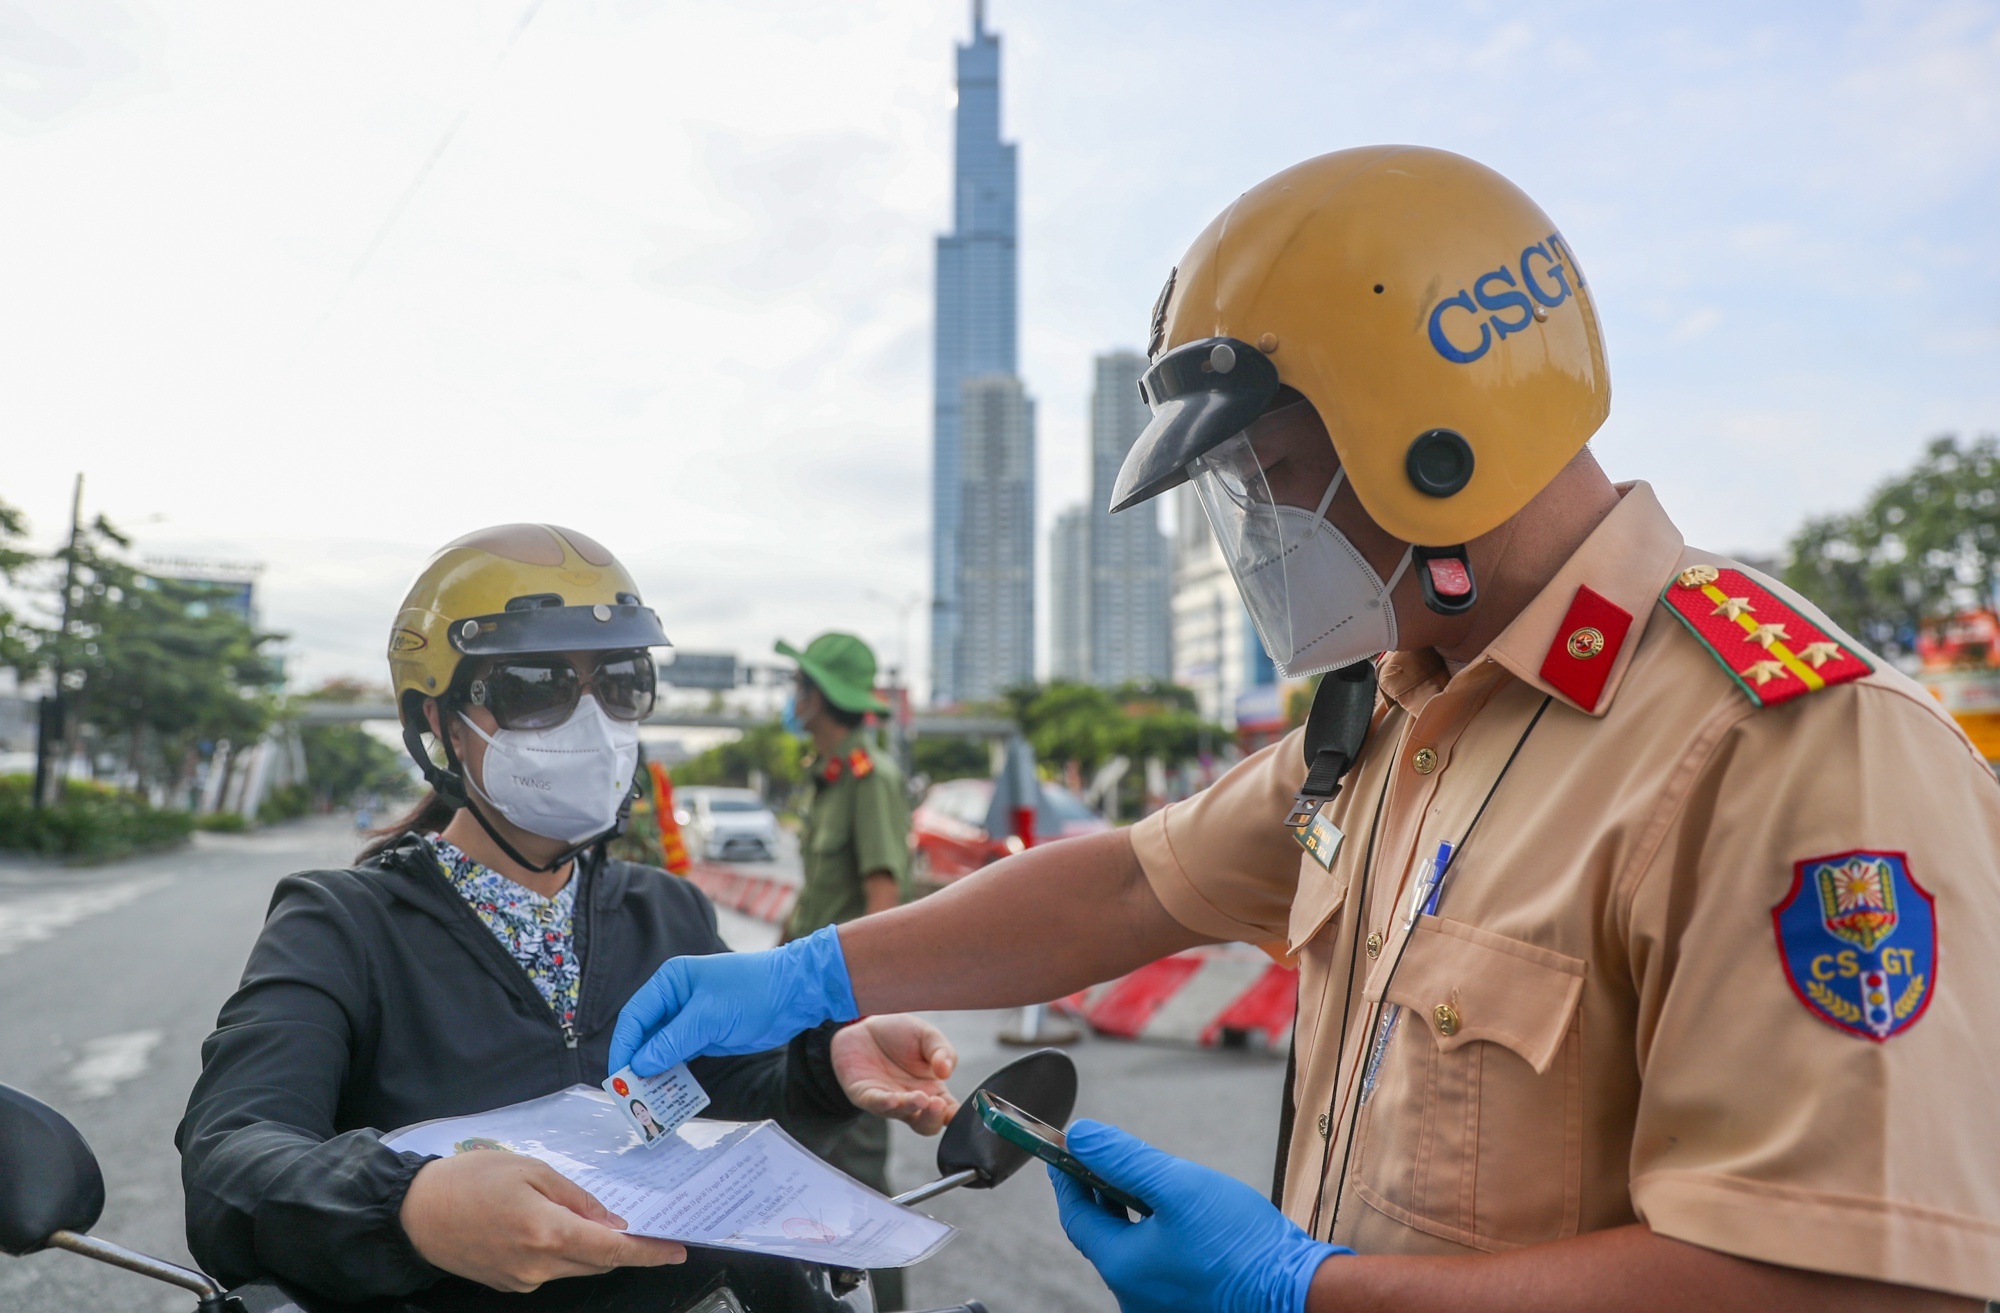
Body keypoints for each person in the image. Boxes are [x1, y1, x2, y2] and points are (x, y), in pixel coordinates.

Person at [610, 148, 2000, 1312]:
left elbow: (1847, 1279)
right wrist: (811, 975)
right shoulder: (1402, 708)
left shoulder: (1790, 752)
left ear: (1430, 432)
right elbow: (1132, 879)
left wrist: (1305, 1289)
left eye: (1268, 478)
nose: (1257, 540)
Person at [178, 524, 959, 1305]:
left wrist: (827, 1061)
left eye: (620, 681)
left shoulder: (666, 910)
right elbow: (233, 1155)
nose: (592, 722)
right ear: (443, 724)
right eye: (534, 684)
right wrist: (413, 1206)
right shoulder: (342, 924)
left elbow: (724, 1088)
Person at [774, 629, 914, 1308]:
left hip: (846, 1014)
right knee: (813, 1174)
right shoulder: (826, 777)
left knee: (859, 1182)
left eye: (799, 685)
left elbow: (882, 899)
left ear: (820, 697)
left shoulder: (871, 779)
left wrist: (863, 1021)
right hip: (806, 1009)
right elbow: (814, 900)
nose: (791, 697)